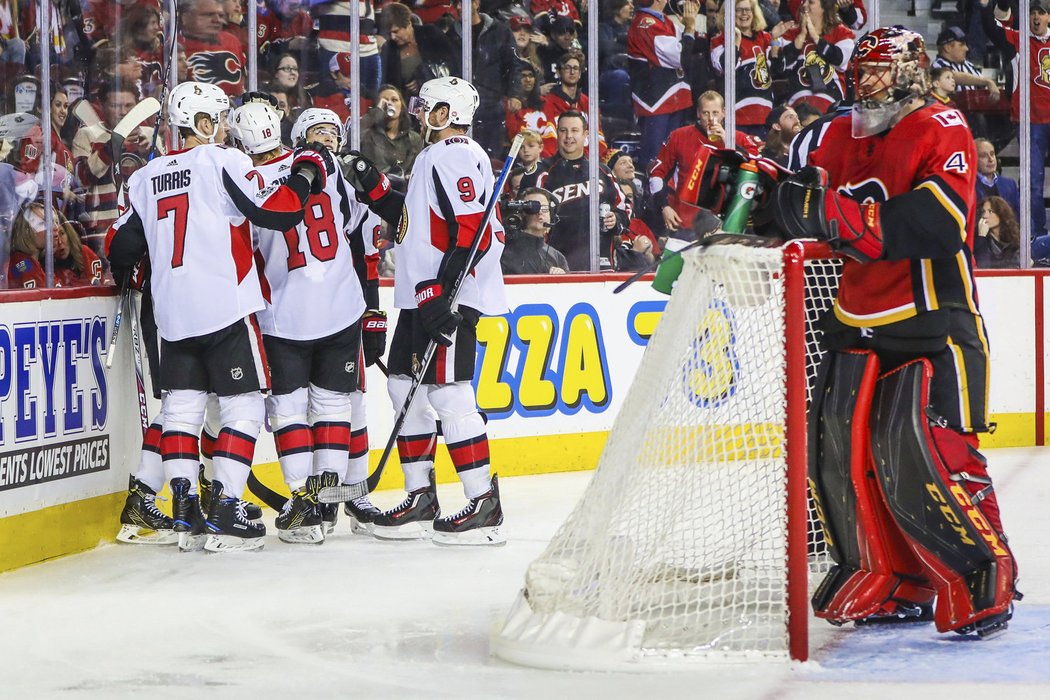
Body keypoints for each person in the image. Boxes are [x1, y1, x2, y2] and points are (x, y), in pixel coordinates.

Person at [771, 26, 1019, 637]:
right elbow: (801, 199)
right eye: (864, 70)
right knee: (842, 453)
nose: (868, 81)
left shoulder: (943, 124)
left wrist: (835, 213)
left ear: (911, 70)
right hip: (857, 318)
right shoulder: (836, 135)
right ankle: (884, 574)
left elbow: (938, 222)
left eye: (882, 70)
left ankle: (984, 573)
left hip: (934, 320)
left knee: (931, 452)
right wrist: (759, 187)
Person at [106, 80, 329, 552]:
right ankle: (226, 505)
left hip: (171, 313)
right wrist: (306, 174)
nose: (227, 128)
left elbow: (120, 247)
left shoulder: (145, 177)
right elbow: (279, 213)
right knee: (243, 405)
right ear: (203, 124)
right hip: (226, 306)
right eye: (221, 119)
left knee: (182, 410)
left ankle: (185, 509)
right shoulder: (223, 159)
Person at [228, 103, 399, 542]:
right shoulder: (332, 170)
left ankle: (310, 504)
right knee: (335, 406)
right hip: (340, 305)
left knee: (291, 409)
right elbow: (359, 231)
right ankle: (326, 503)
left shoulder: (246, 181)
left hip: (284, 314)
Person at [371, 76, 506, 545]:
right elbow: (417, 223)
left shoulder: (457, 154)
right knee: (403, 386)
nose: (418, 111)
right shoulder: (433, 156)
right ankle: (420, 496)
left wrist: (442, 294)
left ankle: (482, 501)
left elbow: (475, 233)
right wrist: (374, 188)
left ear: (447, 113)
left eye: (427, 105)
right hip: (421, 296)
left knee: (449, 395)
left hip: (449, 296)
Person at [980, 0, 1050, 240]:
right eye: (1032, 13)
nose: (1036, 17)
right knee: (1032, 183)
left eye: (1041, 13)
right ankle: (1037, 237)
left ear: (1049, 17)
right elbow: (992, 27)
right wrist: (992, 4)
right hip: (1030, 121)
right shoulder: (1018, 39)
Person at [649, 90, 762, 233]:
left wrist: (728, 142)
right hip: (686, 223)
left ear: (724, 113)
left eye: (715, 113)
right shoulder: (679, 136)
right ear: (698, 113)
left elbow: (758, 169)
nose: (710, 119)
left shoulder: (740, 139)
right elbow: (656, 173)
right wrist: (664, 207)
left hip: (729, 223)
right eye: (705, 113)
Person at [531, 111, 631, 271]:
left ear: (585, 134)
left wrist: (616, 221)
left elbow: (624, 209)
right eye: (563, 130)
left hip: (601, 266)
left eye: (574, 130)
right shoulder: (541, 173)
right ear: (557, 133)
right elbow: (528, 222)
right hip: (556, 269)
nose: (568, 136)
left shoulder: (602, 171)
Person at [628, 0, 699, 168]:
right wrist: (689, 27)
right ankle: (649, 192)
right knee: (654, 158)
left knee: (672, 156)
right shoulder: (645, 23)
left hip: (671, 98)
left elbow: (693, 44)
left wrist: (690, 25)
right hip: (655, 101)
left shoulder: (663, 20)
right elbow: (682, 56)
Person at [710, 0, 791, 138]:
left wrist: (775, 39)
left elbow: (778, 69)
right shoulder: (719, 40)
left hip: (764, 114)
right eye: (739, 10)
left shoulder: (764, 37)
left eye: (748, 10)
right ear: (728, 14)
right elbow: (724, 67)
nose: (744, 14)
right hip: (737, 115)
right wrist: (735, 42)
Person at [776, 0, 854, 111]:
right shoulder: (791, 34)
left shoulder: (840, 33)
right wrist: (800, 37)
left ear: (824, 8)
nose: (804, 5)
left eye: (811, 2)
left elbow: (839, 59)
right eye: (804, 2)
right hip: (796, 106)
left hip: (830, 105)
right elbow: (780, 67)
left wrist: (815, 36)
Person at [6, 202, 103, 288]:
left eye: (54, 222)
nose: (55, 228)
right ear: (27, 232)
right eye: (43, 224)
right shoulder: (24, 264)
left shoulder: (33, 262)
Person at [380, 2, 459, 99]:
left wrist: (423, 78)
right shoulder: (388, 49)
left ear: (408, 24)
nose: (392, 37)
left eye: (396, 31)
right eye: (389, 33)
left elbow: (453, 62)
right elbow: (388, 86)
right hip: (409, 105)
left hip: (442, 97)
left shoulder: (430, 34)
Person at [178, 0, 246, 96]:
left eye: (220, 15)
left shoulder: (231, 40)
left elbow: (243, 78)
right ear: (185, 18)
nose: (217, 20)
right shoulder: (174, 45)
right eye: (208, 15)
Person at [360, 84, 425, 179]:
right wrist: (377, 112)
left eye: (394, 100)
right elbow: (352, 137)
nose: (389, 103)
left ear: (402, 106)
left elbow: (416, 171)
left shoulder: (414, 139)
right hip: (373, 190)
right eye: (384, 101)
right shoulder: (367, 135)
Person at [501, 186, 569, 274]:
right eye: (533, 208)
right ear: (521, 213)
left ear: (551, 215)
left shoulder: (557, 257)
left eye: (544, 208)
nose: (540, 212)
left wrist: (561, 278)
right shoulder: (504, 253)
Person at [974, 138, 1020, 219]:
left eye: (992, 154)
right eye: (984, 156)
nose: (991, 159)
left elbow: (1022, 217)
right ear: (974, 159)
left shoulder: (1009, 184)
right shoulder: (969, 187)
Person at [975, 196, 1021, 268]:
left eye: (990, 211)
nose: (985, 216)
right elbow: (983, 265)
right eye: (983, 212)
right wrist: (981, 236)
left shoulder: (1014, 237)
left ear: (1001, 213)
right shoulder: (979, 238)